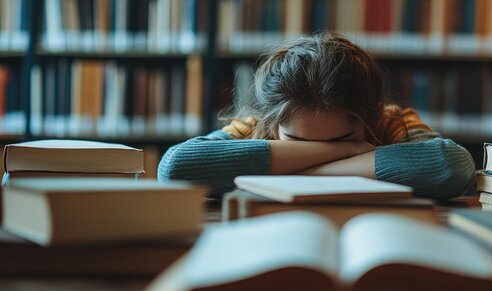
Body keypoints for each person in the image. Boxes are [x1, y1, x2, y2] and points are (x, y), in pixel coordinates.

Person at [158, 33, 475, 200]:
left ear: (371, 114)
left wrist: (287, 171)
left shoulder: (389, 121)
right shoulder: (257, 127)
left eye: (340, 139)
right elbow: (176, 167)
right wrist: (346, 151)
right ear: (273, 121)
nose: (317, 148)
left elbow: (454, 167)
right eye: (296, 142)